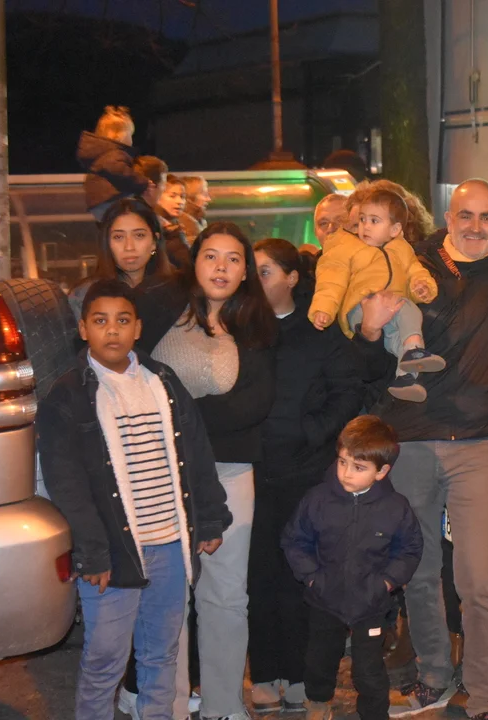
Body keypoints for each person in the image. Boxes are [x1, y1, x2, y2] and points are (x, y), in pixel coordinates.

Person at [353, 179, 488, 720]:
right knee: (419, 570)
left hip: (481, 438)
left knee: (479, 579)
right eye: (466, 215)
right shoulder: (410, 262)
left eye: (487, 217)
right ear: (448, 217)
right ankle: (434, 674)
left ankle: (487, 693)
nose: (476, 226)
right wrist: (367, 328)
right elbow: (363, 341)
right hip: (412, 436)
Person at [37, 279, 232, 720]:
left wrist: (210, 517)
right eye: (100, 321)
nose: (112, 330)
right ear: (83, 329)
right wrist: (92, 551)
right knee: (104, 662)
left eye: (123, 320)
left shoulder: (163, 380)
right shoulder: (68, 395)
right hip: (112, 553)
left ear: (138, 328)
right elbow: (66, 485)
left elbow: (197, 453)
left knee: (161, 655)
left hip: (170, 544)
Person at [138, 221, 278, 720]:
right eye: (211, 255)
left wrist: (177, 413)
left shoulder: (256, 326)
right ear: (194, 262)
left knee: (225, 595)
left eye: (234, 259)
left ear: (245, 271)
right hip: (158, 470)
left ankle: (224, 705)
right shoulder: (160, 309)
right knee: (167, 594)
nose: (221, 267)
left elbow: (253, 405)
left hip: (229, 469)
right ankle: (168, 707)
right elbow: (132, 380)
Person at [247, 238, 363, 714]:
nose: (255, 279)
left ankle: (298, 674)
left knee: (301, 574)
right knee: (258, 575)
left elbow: (347, 390)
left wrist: (310, 432)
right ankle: (264, 671)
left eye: (265, 271)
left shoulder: (319, 330)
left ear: (293, 278)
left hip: (305, 470)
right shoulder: (239, 328)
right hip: (250, 470)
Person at [282, 415, 424, 720]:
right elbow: (295, 540)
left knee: (369, 669)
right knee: (319, 659)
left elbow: (409, 549)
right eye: (342, 462)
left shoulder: (396, 507)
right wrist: (312, 578)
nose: (346, 473)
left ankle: (374, 713)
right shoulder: (317, 499)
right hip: (324, 599)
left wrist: (386, 583)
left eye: (359, 467)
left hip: (371, 603)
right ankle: (318, 701)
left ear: (381, 471)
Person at [310, 188, 445, 403]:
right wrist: (323, 309)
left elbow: (414, 271)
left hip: (392, 308)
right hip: (361, 306)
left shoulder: (400, 248)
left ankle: (406, 379)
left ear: (394, 229)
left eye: (374, 221)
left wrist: (422, 286)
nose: (365, 227)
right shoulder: (344, 247)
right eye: (360, 221)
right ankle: (414, 348)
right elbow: (331, 280)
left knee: (398, 335)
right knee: (407, 310)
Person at [67, 197, 176, 319]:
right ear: (107, 243)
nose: (129, 247)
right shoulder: (83, 295)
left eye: (139, 235)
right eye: (118, 237)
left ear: (154, 241)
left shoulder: (178, 291)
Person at [77, 106, 151, 221]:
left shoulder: (104, 154)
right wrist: (142, 182)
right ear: (120, 135)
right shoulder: (114, 153)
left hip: (101, 203)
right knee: (142, 215)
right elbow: (121, 172)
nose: (131, 139)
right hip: (110, 201)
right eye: (130, 135)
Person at [156, 174, 191, 271]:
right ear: (158, 196)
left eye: (182, 197)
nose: (180, 201)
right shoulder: (156, 227)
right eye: (172, 196)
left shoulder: (177, 225)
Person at [179, 175, 212, 240]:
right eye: (204, 194)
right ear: (189, 198)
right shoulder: (188, 225)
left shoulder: (199, 222)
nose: (209, 199)